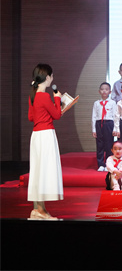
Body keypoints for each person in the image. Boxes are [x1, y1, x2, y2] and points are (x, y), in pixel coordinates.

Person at [27, 63, 64, 220]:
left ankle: (37, 209)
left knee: (37, 171)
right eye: (52, 76)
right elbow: (57, 115)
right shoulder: (44, 96)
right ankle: (41, 210)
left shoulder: (33, 95)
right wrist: (57, 99)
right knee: (44, 170)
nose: (52, 79)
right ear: (47, 77)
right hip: (46, 135)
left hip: (36, 136)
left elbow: (31, 117)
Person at [92, 82, 117, 172]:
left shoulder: (113, 103)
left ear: (110, 92)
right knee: (100, 145)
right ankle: (100, 164)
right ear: (99, 91)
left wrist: (115, 128)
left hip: (109, 124)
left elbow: (115, 116)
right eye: (102, 89)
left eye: (106, 89)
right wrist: (94, 129)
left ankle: (108, 164)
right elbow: (94, 116)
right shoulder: (96, 103)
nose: (104, 91)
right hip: (99, 123)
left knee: (109, 145)